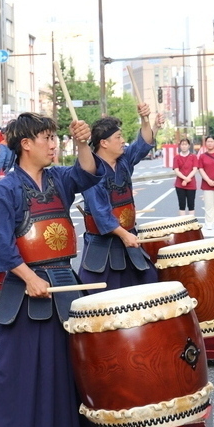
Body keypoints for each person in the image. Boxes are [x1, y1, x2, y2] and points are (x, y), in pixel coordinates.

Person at [0, 112, 104, 427]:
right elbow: (1, 244)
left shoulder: (58, 178)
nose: (52, 143)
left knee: (68, 358)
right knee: (9, 361)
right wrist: (30, 279)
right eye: (46, 137)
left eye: (54, 137)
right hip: (26, 282)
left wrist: (82, 143)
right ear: (25, 144)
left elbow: (88, 173)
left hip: (62, 279)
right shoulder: (4, 190)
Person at [77, 105, 162, 293]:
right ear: (104, 143)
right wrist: (125, 235)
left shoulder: (123, 160)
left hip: (128, 235)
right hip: (102, 244)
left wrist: (145, 119)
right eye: (118, 137)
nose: (123, 141)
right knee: (99, 297)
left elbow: (142, 145)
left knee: (148, 282)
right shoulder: (92, 171)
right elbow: (100, 213)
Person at [173, 138, 198, 216]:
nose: (184, 146)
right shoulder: (176, 157)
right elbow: (176, 170)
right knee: (181, 204)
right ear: (180, 146)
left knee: (191, 204)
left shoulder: (193, 157)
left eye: (185, 144)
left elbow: (195, 169)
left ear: (189, 146)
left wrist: (187, 180)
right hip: (180, 184)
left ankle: (191, 223)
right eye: (182, 144)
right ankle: (182, 223)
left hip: (191, 184)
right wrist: (184, 178)